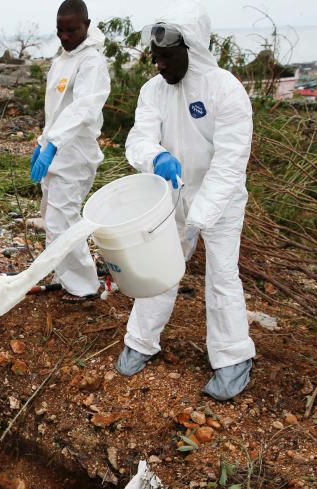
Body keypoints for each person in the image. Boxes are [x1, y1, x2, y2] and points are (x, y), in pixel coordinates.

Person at [117, 0, 255, 401]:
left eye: (166, 57)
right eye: (154, 57)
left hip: (221, 201)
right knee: (159, 268)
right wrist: (154, 156)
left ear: (190, 50)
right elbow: (138, 139)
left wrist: (202, 213)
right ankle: (140, 342)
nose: (158, 65)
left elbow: (231, 164)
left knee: (222, 276)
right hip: (172, 195)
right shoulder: (153, 90)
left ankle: (232, 358)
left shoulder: (225, 90)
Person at [30, 0, 110, 302]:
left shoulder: (91, 62)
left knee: (63, 219)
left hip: (75, 153)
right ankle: (65, 274)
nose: (65, 36)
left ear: (86, 26)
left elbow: (84, 109)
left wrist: (54, 144)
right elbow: (57, 111)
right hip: (56, 149)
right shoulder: (63, 58)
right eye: (60, 31)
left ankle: (85, 285)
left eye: (71, 30)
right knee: (50, 214)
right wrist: (42, 144)